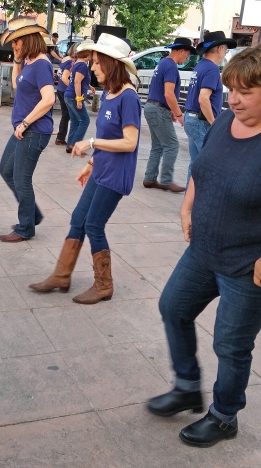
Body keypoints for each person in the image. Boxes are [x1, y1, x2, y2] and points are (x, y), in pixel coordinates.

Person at [147, 45, 261, 448]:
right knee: (173, 307)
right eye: (231, 89)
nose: (233, 99)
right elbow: (202, 167)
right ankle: (188, 387)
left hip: (247, 264)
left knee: (230, 344)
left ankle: (225, 415)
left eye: (245, 91)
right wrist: (187, 205)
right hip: (203, 248)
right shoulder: (225, 120)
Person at [29, 33, 141, 305]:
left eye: (96, 62)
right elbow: (110, 135)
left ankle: (104, 285)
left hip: (116, 175)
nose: (91, 68)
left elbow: (129, 142)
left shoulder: (128, 97)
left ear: (111, 63)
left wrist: (91, 143)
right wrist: (91, 163)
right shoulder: (110, 93)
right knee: (78, 218)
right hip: (102, 169)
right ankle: (61, 275)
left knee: (93, 224)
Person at [0, 18, 55, 243]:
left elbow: (49, 99)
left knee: (21, 179)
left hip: (33, 131)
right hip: (23, 130)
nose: (14, 46)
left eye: (16, 43)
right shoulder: (30, 62)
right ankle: (32, 215)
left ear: (29, 41)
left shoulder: (42, 64)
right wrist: (16, 62)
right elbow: (16, 85)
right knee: (6, 170)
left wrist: (25, 123)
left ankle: (25, 228)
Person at [143, 37, 196, 193]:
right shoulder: (171, 66)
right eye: (187, 54)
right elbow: (169, 94)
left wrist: (171, 110)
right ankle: (166, 180)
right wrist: (179, 114)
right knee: (172, 145)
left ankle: (150, 178)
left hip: (151, 106)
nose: (187, 58)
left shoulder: (162, 63)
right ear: (181, 51)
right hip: (158, 109)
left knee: (158, 146)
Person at [184, 31, 236, 184]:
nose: (225, 53)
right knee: (211, 164)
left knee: (195, 164)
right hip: (201, 122)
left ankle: (190, 203)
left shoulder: (201, 65)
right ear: (219, 48)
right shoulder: (212, 69)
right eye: (226, 49)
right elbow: (203, 99)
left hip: (191, 118)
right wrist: (214, 123)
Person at [64, 44, 95, 153]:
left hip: (69, 95)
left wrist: (89, 86)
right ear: (87, 53)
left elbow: (79, 80)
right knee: (84, 120)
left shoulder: (77, 63)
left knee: (75, 121)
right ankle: (75, 145)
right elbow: (77, 81)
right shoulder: (82, 65)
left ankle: (70, 145)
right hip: (74, 96)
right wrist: (79, 99)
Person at [55, 42, 81, 146]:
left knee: (66, 115)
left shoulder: (65, 58)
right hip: (65, 90)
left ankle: (61, 137)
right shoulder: (70, 62)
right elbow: (64, 77)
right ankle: (61, 137)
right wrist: (73, 87)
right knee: (68, 116)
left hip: (61, 89)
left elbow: (59, 74)